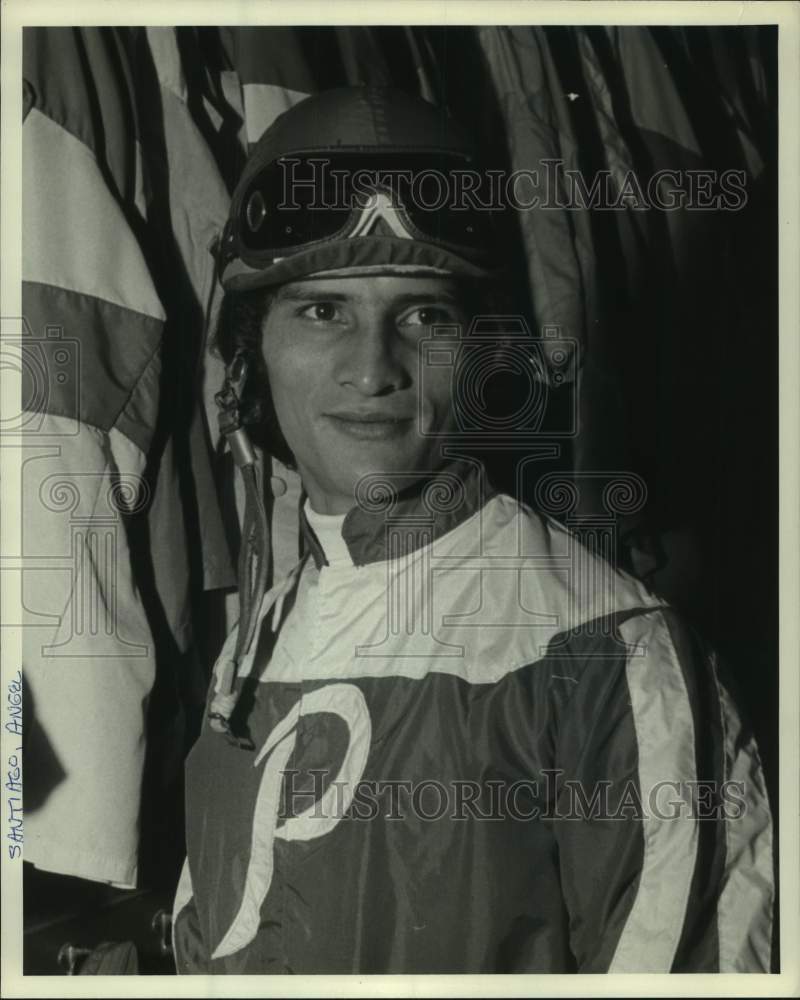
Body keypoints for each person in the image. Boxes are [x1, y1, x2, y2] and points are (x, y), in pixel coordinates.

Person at [172, 86, 774, 975]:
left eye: (425, 316)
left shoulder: (607, 658)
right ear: (252, 353)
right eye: (323, 310)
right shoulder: (251, 647)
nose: (373, 369)